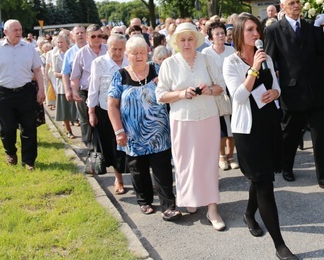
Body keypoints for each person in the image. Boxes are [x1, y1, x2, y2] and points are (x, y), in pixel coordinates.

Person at [223, 13, 298, 260]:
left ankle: (248, 214)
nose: (256, 34)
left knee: (261, 178)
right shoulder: (231, 63)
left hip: (269, 125)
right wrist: (253, 69)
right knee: (264, 183)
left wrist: (275, 94)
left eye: (257, 29)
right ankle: (280, 245)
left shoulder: (266, 56)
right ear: (238, 34)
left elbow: (276, 86)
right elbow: (239, 97)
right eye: (250, 30)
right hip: (248, 130)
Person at [265, 0, 324, 195]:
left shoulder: (310, 26)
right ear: (283, 7)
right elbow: (269, 62)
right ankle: (286, 166)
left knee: (318, 136)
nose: (296, 6)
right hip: (292, 91)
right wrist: (272, 90)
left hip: (317, 89)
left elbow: (323, 50)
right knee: (291, 133)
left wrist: (318, 29)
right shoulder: (274, 30)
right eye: (292, 3)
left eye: (298, 2)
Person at [156, 23, 226, 230]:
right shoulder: (168, 64)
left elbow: (221, 86)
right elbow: (160, 95)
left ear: (196, 40)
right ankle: (191, 199)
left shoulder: (207, 59)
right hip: (182, 120)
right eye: (182, 40)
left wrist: (208, 90)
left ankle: (212, 208)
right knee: (185, 164)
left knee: (209, 162)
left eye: (190, 39)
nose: (186, 43)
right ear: (177, 43)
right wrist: (181, 94)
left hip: (208, 117)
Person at [108, 36, 181, 221]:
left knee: (162, 169)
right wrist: (118, 131)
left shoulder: (157, 69)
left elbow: (171, 92)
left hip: (159, 133)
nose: (139, 56)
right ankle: (144, 200)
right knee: (138, 170)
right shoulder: (120, 75)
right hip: (132, 135)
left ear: (147, 52)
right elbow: (112, 105)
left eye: (142, 52)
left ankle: (168, 206)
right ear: (127, 55)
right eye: (134, 53)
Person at [0, 19, 45, 170]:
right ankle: (10, 152)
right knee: (7, 128)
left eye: (20, 30)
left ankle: (29, 161)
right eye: (15, 30)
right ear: (5, 32)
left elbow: (37, 70)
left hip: (25, 91)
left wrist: (41, 90)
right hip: (4, 93)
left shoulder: (29, 48)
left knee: (29, 128)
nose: (18, 33)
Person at [89, 34, 130, 195]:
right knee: (113, 147)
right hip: (106, 112)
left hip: (128, 111)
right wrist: (91, 111)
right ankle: (118, 178)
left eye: (121, 49)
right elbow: (93, 89)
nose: (118, 52)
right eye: (114, 49)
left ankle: (140, 178)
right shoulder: (99, 63)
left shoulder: (130, 61)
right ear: (108, 47)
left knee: (132, 145)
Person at [202, 20, 238, 171]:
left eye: (222, 33)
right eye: (217, 34)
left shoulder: (231, 51)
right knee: (221, 128)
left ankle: (231, 156)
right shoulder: (206, 53)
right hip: (215, 93)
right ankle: (221, 156)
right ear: (210, 38)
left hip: (231, 91)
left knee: (233, 126)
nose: (221, 36)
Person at [70, 25, 109, 149]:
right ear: (87, 38)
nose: (97, 39)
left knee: (103, 120)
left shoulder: (108, 50)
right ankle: (89, 147)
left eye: (99, 36)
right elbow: (75, 76)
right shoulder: (81, 53)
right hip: (85, 91)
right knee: (86, 120)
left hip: (104, 91)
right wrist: (74, 91)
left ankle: (103, 147)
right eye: (93, 36)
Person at [52, 33, 76, 138]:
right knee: (64, 109)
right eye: (58, 42)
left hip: (75, 84)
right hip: (62, 86)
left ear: (67, 43)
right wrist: (65, 74)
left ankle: (76, 122)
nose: (60, 44)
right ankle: (68, 130)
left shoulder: (73, 53)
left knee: (76, 108)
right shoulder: (55, 56)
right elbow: (55, 72)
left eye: (62, 42)